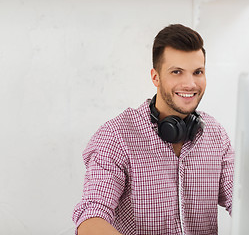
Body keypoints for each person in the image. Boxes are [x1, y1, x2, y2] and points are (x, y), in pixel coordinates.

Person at [72, 24, 234, 235]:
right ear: (155, 77)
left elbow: (244, 201)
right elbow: (92, 217)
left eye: (198, 72)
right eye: (177, 72)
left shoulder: (216, 135)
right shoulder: (116, 136)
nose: (190, 83)